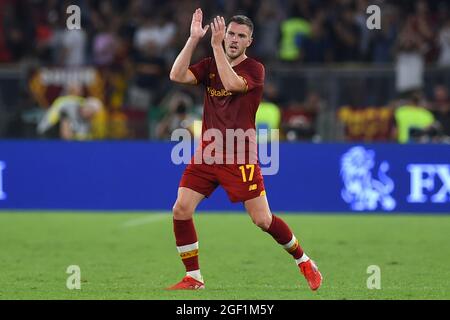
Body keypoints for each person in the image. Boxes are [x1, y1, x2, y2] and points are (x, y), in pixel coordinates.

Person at [167, 8, 322, 291]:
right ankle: (194, 277)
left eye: (241, 36)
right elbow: (176, 75)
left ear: (250, 41)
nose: (234, 39)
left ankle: (304, 260)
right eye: (231, 34)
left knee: (262, 220)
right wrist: (192, 39)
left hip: (239, 155)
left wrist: (215, 47)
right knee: (181, 209)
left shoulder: (255, 69)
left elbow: (231, 84)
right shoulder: (210, 63)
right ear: (224, 35)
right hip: (207, 153)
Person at [37, 93, 103, 141]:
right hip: (49, 136)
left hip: (68, 146)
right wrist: (41, 133)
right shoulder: (67, 105)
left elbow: (82, 139)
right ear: (86, 107)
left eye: (93, 115)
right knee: (65, 119)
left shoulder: (87, 123)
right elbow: (47, 122)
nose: (91, 116)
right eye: (91, 112)